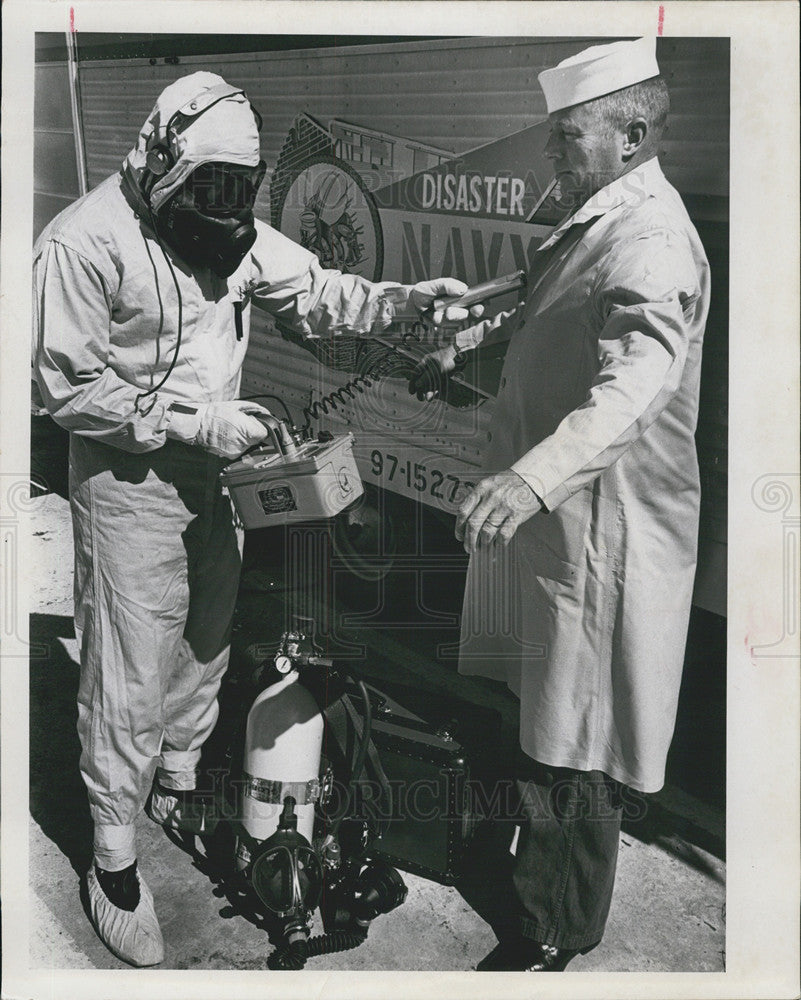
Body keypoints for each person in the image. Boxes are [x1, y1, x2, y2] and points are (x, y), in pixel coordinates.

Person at [31, 71, 476, 968]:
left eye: (241, 191)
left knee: (208, 633)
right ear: (163, 162)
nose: (226, 212)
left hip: (219, 473)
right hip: (129, 478)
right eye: (209, 190)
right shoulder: (83, 244)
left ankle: (181, 783)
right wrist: (195, 421)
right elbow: (60, 386)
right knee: (127, 661)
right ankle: (113, 856)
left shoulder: (232, 236)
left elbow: (317, 294)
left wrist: (405, 304)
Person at [409, 37, 710, 971]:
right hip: (558, 529)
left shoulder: (652, 240)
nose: (550, 153)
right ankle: (538, 887)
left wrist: (531, 476)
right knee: (542, 714)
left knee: (579, 741)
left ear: (628, 136)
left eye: (566, 135)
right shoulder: (602, 213)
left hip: (599, 532)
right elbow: (548, 311)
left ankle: (554, 932)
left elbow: (631, 386)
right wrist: (468, 345)